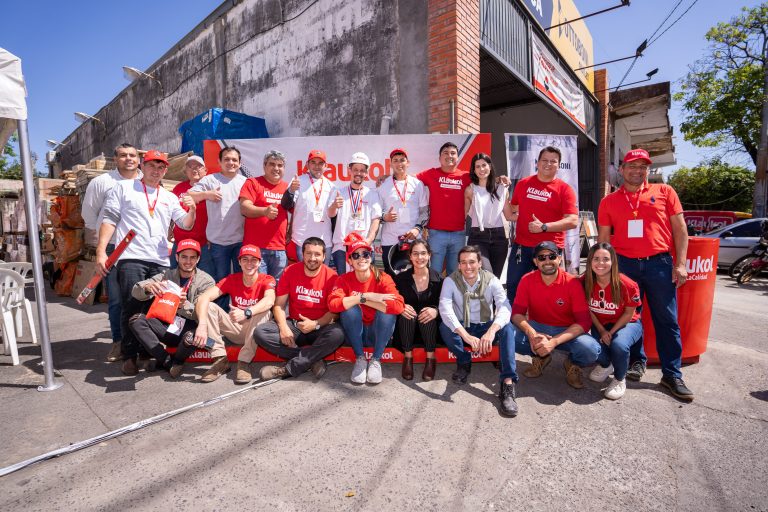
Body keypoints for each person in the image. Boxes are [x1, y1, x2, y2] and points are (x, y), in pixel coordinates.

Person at [597, 148, 693, 401]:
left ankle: (672, 374)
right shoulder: (609, 201)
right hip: (624, 266)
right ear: (622, 169)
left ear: (648, 170)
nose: (637, 171)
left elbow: (680, 230)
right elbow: (604, 239)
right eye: (632, 166)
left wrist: (680, 264)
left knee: (667, 320)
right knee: (629, 318)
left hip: (659, 264)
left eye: (643, 166)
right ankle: (635, 362)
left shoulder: (665, 192)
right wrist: (604, 269)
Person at [96, 150, 197, 376]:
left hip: (160, 261)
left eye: (161, 167)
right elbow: (109, 219)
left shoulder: (169, 197)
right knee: (131, 306)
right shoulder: (123, 188)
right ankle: (129, 356)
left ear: (166, 171)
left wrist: (193, 208)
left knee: (155, 310)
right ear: (142, 166)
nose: (156, 170)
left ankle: (146, 353)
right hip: (131, 257)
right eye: (152, 165)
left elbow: (186, 224)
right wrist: (101, 251)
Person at [438, 245, 519, 417]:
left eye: (472, 262)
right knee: (445, 326)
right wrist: (465, 335)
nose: (468, 267)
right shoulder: (450, 281)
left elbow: (505, 306)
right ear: (459, 265)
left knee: (507, 328)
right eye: (463, 262)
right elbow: (445, 309)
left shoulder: (492, 280)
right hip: (464, 326)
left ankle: (507, 383)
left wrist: (491, 331)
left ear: (480, 263)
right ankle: (464, 361)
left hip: (485, 325)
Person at [81, 142, 142, 362]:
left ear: (138, 159)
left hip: (140, 248)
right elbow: (89, 214)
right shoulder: (102, 182)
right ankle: (118, 342)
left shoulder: (146, 181)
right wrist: (102, 245)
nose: (129, 159)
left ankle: (143, 343)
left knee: (141, 297)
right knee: (116, 298)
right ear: (115, 159)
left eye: (133, 155)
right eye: (123, 155)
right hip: (113, 248)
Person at [510, 241, 599, 389]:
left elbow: (584, 322)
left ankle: (573, 363)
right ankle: (540, 356)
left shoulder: (572, 282)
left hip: (566, 331)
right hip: (538, 329)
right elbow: (516, 314)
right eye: (541, 257)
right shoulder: (527, 280)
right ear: (535, 261)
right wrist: (532, 334)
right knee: (507, 335)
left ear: (559, 258)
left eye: (551, 256)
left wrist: (554, 342)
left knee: (590, 349)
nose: (547, 261)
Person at [254, 237, 345, 380]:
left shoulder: (332, 277)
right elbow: (279, 305)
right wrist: (284, 328)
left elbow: (334, 313)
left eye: (317, 254)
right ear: (302, 254)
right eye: (308, 253)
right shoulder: (290, 271)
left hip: (319, 326)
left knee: (337, 334)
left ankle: (288, 369)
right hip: (295, 325)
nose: (312, 258)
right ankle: (313, 359)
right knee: (261, 333)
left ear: (324, 256)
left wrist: (315, 324)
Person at [128, 239, 215, 378]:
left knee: (191, 336)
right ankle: (168, 361)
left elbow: (203, 314)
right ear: (177, 257)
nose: (188, 261)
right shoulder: (166, 275)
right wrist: (148, 288)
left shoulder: (207, 281)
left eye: (192, 257)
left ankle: (177, 361)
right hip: (166, 326)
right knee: (136, 320)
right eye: (184, 257)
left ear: (198, 259)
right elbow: (135, 291)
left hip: (189, 329)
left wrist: (183, 305)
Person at [192, 245, 276, 384]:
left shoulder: (267, 279)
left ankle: (243, 362)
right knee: (209, 306)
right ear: (239, 262)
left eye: (253, 260)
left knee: (264, 311)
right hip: (235, 328)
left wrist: (246, 312)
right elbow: (203, 298)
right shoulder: (231, 279)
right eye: (245, 259)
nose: (249, 263)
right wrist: (202, 325)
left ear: (259, 263)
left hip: (256, 331)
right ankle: (220, 359)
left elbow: (269, 300)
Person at [505, 146, 578, 304]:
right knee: (513, 287)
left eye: (553, 161)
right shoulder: (523, 184)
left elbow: (573, 220)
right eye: (544, 160)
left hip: (549, 250)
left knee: (549, 291)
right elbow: (513, 208)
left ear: (559, 165)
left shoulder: (565, 189)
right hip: (522, 247)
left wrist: (544, 227)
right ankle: (513, 319)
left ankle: (546, 319)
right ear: (537, 163)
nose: (548, 164)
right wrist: (501, 191)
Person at [328, 233, 404, 384]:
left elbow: (398, 306)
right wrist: (366, 297)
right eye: (355, 255)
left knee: (388, 313)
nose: (361, 258)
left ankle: (376, 360)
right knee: (349, 309)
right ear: (349, 260)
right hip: (355, 335)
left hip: (378, 334)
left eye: (365, 254)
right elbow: (333, 305)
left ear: (370, 257)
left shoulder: (383, 277)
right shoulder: (343, 279)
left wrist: (366, 300)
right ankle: (360, 359)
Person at [582, 242, 643, 400]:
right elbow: (588, 309)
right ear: (590, 261)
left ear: (613, 261)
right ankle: (606, 365)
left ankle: (619, 378)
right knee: (591, 346)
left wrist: (611, 332)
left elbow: (629, 313)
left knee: (619, 345)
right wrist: (602, 330)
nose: (600, 263)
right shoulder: (585, 281)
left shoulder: (627, 284)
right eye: (596, 259)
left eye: (605, 259)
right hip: (600, 323)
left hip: (627, 323)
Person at [188, 146, 247, 285]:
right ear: (219, 162)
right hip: (218, 242)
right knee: (221, 282)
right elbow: (189, 194)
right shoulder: (210, 180)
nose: (231, 162)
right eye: (227, 159)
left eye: (234, 160)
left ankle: (238, 300)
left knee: (242, 279)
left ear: (240, 163)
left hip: (241, 240)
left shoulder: (246, 182)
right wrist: (207, 194)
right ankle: (222, 301)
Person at [417, 142, 470, 275]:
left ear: (457, 157)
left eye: (453, 153)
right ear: (440, 158)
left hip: (459, 233)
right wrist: (388, 177)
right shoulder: (431, 173)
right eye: (445, 153)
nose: (449, 156)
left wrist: (500, 179)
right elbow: (408, 180)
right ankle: (435, 290)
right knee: (434, 272)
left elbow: (485, 180)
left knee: (455, 274)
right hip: (436, 233)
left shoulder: (467, 176)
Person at [393, 240, 442, 381]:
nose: (419, 257)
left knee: (428, 313)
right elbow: (392, 299)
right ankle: (407, 358)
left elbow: (446, 305)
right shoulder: (400, 279)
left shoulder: (439, 279)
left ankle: (430, 359)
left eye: (423, 253)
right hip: (406, 331)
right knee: (407, 313)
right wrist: (401, 307)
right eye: (415, 254)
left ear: (429, 255)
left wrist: (436, 311)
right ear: (410, 256)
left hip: (430, 331)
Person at [377, 148, 429, 275]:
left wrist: (417, 228)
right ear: (390, 164)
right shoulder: (383, 186)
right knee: (391, 278)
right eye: (395, 160)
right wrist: (385, 217)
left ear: (408, 163)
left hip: (413, 239)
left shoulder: (418, 184)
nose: (399, 163)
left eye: (402, 160)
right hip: (390, 240)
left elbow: (425, 211)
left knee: (414, 277)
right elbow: (375, 212)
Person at [240, 150, 289, 281]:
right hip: (255, 248)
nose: (276, 168)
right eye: (272, 164)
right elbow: (244, 208)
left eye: (280, 165)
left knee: (277, 287)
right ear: (264, 166)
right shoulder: (253, 183)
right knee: (257, 285)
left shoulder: (287, 188)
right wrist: (264, 211)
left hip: (279, 249)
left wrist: (290, 231)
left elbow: (296, 212)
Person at [329, 152, 382, 273]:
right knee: (344, 281)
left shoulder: (372, 194)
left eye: (362, 170)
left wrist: (369, 240)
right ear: (349, 170)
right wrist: (334, 205)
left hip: (364, 246)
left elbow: (376, 220)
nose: (359, 173)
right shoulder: (338, 192)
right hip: (342, 247)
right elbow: (331, 214)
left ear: (366, 173)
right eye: (356, 170)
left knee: (364, 282)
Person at [281, 150, 337, 264]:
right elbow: (286, 205)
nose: (317, 166)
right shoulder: (298, 181)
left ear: (326, 166)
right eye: (313, 162)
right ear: (307, 164)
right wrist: (291, 190)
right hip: (302, 239)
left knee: (323, 273)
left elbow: (332, 215)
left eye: (320, 163)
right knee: (305, 273)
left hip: (324, 240)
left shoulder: (332, 186)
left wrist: (335, 206)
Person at [464, 153, 509, 278]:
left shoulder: (502, 188)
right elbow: (463, 215)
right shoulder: (470, 190)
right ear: (474, 170)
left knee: (496, 279)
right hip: (478, 237)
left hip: (500, 237)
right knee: (487, 275)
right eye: (477, 166)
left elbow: (509, 214)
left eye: (484, 165)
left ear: (490, 166)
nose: (481, 169)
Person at [170, 155, 213, 276]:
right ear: (185, 171)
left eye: (198, 166)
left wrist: (213, 237)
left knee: (205, 278)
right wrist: (169, 228)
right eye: (190, 166)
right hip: (180, 242)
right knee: (173, 277)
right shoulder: (178, 188)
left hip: (203, 244)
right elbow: (171, 210)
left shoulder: (211, 190)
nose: (194, 169)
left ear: (205, 170)